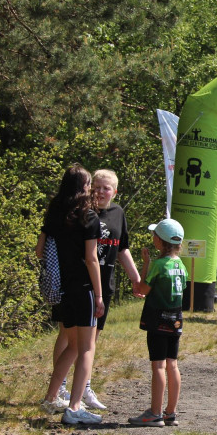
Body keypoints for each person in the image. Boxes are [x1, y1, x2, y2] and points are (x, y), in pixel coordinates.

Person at [53, 168, 141, 410]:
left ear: (115, 191)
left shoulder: (117, 213)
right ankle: (60, 388)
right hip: (77, 285)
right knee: (69, 336)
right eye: (97, 187)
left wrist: (136, 279)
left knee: (91, 341)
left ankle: (84, 388)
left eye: (107, 188)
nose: (101, 192)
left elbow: (122, 248)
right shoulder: (81, 212)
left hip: (104, 285)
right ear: (90, 188)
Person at [37, 164, 105, 426]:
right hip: (84, 289)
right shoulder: (88, 217)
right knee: (87, 347)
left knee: (73, 345)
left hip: (61, 289)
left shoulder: (54, 215)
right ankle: (75, 407)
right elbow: (91, 259)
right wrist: (98, 295)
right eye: (89, 184)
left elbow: (39, 250)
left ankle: (51, 397)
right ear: (83, 188)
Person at [129, 219, 189, 427]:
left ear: (161, 242)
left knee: (158, 366)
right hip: (176, 319)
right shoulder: (180, 265)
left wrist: (145, 264)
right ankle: (170, 412)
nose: (153, 238)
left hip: (157, 318)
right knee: (172, 363)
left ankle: (154, 413)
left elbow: (141, 290)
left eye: (155, 235)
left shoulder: (158, 265)